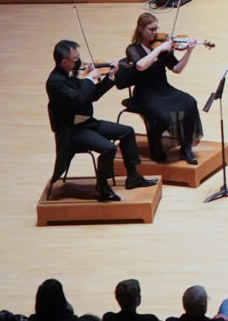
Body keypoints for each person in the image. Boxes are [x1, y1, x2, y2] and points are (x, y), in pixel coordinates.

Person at [47, 40, 147, 200]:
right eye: (75, 59)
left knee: (127, 131)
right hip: (72, 131)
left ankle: (133, 176)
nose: (79, 62)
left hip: (87, 123)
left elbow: (92, 96)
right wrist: (89, 80)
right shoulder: (55, 82)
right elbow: (78, 100)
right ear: (64, 62)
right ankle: (103, 186)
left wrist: (110, 77)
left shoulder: (74, 74)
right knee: (108, 148)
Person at [118, 12, 201, 163]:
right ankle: (156, 148)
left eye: (156, 29)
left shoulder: (161, 47)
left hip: (164, 89)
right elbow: (141, 65)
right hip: (145, 94)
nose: (155, 33)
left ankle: (186, 147)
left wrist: (189, 51)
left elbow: (176, 69)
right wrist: (159, 50)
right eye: (151, 29)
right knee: (161, 115)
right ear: (141, 30)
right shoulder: (133, 49)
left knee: (190, 103)